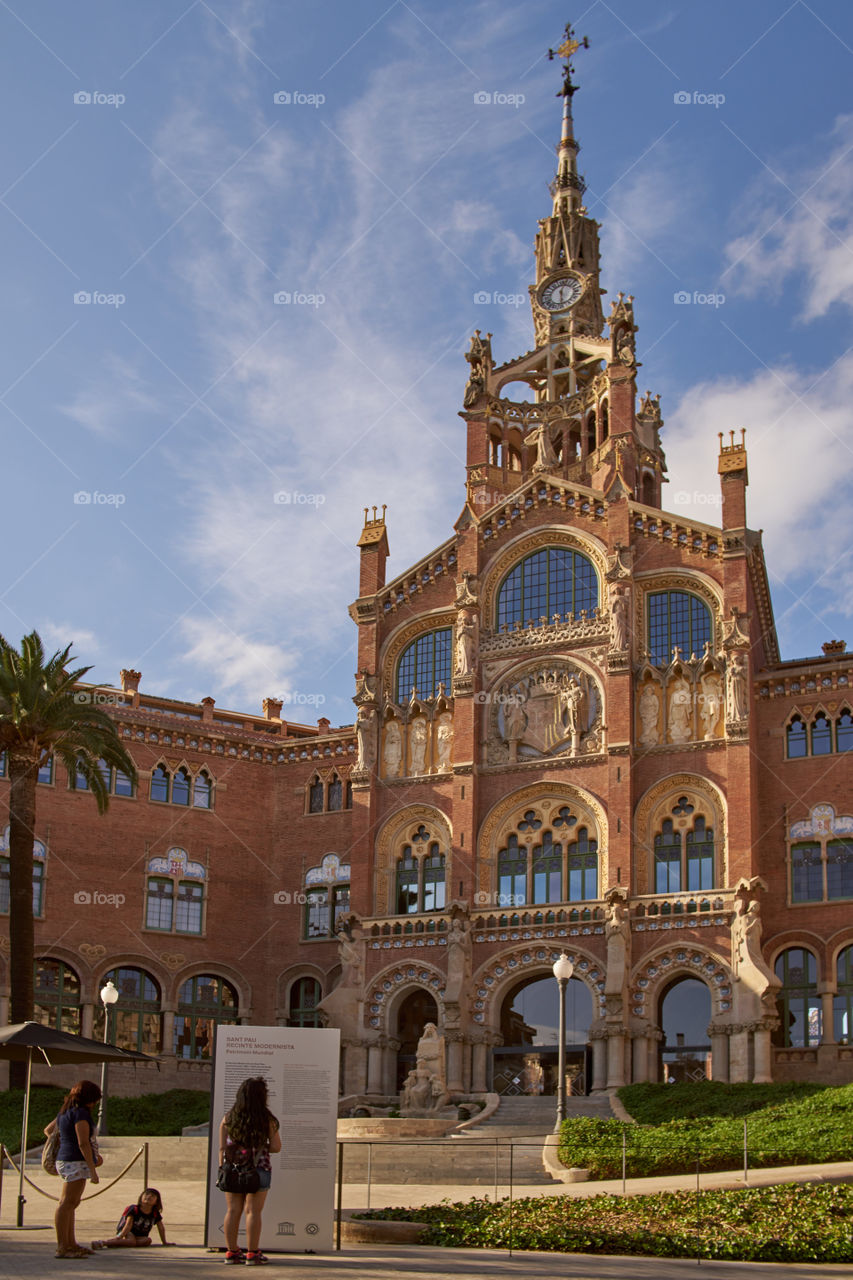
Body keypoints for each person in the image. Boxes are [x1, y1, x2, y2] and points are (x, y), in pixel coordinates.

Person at [219, 1077, 281, 1265]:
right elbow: (277, 1147)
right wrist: (259, 1148)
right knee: (253, 1212)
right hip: (259, 1169)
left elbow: (222, 1149)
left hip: (233, 1169)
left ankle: (231, 1252)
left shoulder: (228, 1118)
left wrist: (223, 1167)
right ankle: (252, 1254)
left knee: (232, 1210)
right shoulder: (267, 1119)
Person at [44, 1079, 103, 1259]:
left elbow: (48, 1130)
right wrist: (93, 1170)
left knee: (71, 1203)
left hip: (66, 1159)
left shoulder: (65, 1112)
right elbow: (83, 1142)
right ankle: (63, 1246)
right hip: (75, 1161)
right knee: (66, 1204)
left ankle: (70, 1243)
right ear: (89, 1098)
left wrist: (64, 1142)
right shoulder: (81, 1114)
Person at [91, 1188, 174, 1249]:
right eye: (146, 1194)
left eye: (152, 1196)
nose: (149, 1196)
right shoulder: (134, 1209)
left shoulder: (155, 1213)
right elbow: (128, 1225)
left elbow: (161, 1228)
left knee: (147, 1240)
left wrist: (164, 1242)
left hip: (140, 1235)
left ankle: (120, 1243)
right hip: (127, 1231)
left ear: (156, 1201)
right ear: (141, 1197)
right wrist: (120, 1236)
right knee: (131, 1241)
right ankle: (103, 1243)